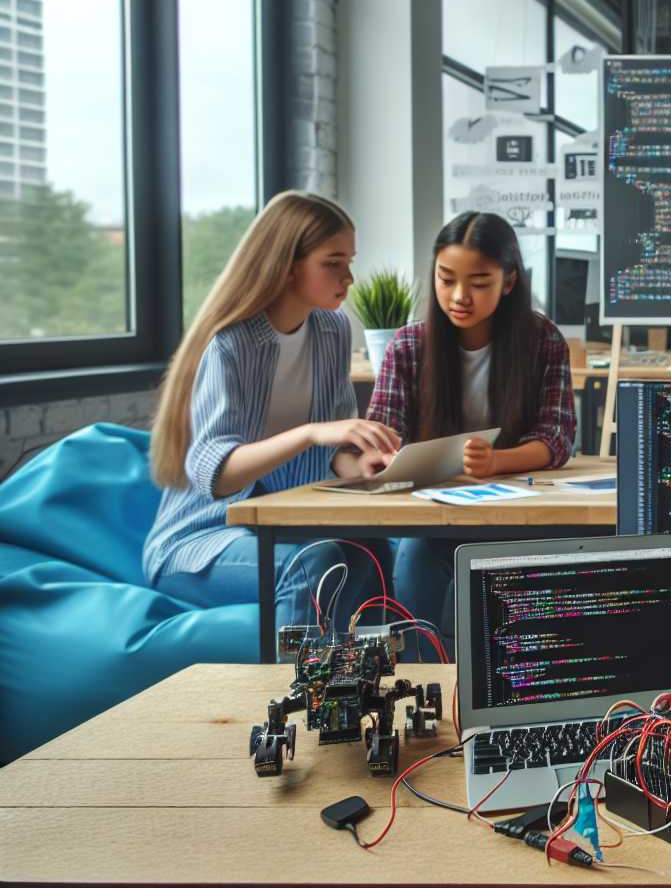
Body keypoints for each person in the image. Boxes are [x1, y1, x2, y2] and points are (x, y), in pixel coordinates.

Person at [146, 191, 397, 633]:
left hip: (282, 526)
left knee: (372, 548)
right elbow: (216, 476)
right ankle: (294, 699)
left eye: (349, 261)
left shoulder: (331, 328)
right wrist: (309, 433)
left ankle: (370, 691)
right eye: (333, 262)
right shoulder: (230, 343)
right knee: (312, 565)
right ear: (288, 265)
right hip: (202, 541)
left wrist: (362, 464)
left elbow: (331, 451)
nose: (350, 277)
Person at [367, 211, 576, 656]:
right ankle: (423, 689)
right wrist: (384, 458)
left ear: (509, 281)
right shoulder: (408, 346)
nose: (459, 296)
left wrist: (498, 461)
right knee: (416, 559)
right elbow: (383, 435)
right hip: (433, 514)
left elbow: (557, 436)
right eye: (446, 279)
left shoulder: (542, 340)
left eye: (479, 282)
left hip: (520, 510)